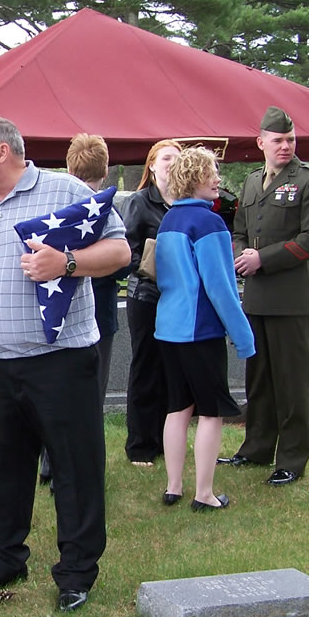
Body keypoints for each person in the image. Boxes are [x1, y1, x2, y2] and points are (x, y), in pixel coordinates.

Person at [0, 117, 130, 612]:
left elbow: (119, 250)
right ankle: (5, 560)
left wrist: (66, 264)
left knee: (74, 467)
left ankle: (76, 573)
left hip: (60, 362)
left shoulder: (64, 189)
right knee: (3, 467)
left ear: (3, 152)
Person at [218, 106, 309, 487]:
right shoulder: (252, 182)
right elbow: (238, 228)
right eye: (278, 140)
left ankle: (292, 459)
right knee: (259, 379)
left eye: (290, 139)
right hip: (257, 298)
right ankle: (256, 448)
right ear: (261, 142)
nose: (285, 146)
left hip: (292, 298)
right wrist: (239, 253)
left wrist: (262, 258)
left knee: (292, 382)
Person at [154, 147, 255, 511]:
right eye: (212, 173)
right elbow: (221, 287)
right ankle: (205, 493)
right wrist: (244, 337)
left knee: (177, 408)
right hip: (200, 331)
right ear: (195, 178)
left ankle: (173, 486)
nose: (218, 180)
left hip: (167, 329)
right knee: (211, 412)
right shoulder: (209, 224)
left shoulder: (169, 221)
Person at [38, 133, 124, 491]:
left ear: (69, 164)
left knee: (49, 394)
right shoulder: (102, 210)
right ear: (104, 170)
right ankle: (75, 472)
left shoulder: (52, 208)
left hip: (51, 313)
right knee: (89, 400)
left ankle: (47, 463)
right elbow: (121, 264)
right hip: (95, 317)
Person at [118, 139, 182, 467]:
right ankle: (140, 445)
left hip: (179, 298)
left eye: (177, 158)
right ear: (152, 165)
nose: (172, 163)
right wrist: (154, 259)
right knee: (145, 368)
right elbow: (125, 251)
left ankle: (165, 440)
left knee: (173, 369)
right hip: (146, 296)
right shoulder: (139, 202)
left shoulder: (187, 202)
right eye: (166, 157)